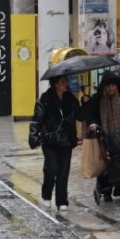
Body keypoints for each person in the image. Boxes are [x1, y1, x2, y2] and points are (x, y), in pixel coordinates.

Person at [28, 75, 80, 211]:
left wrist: (84, 102)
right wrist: (34, 136)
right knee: (52, 168)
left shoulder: (71, 99)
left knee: (63, 171)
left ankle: (62, 200)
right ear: (56, 84)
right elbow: (37, 119)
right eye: (63, 82)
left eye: (65, 81)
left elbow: (80, 115)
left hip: (66, 140)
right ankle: (46, 195)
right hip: (50, 140)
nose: (66, 84)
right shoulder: (45, 100)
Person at [84, 71, 120, 202]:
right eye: (108, 86)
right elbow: (90, 114)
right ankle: (105, 190)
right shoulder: (97, 98)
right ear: (104, 87)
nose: (111, 88)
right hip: (104, 136)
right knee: (105, 163)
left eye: (113, 85)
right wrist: (93, 123)